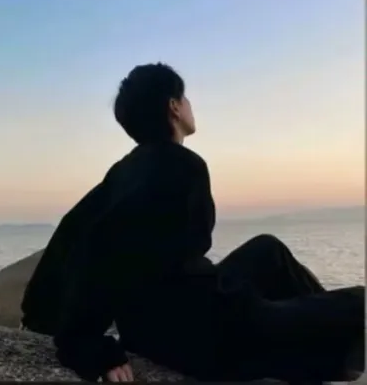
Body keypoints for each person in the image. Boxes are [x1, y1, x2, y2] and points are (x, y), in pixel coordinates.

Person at [20, 63, 364, 384]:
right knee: (357, 305)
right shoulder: (182, 165)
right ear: (173, 107)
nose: (189, 105)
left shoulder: (122, 173)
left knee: (266, 249)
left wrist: (48, 322)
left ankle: (321, 330)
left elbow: (73, 238)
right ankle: (328, 340)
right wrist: (85, 344)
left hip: (157, 325)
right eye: (184, 98)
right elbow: (101, 252)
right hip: (203, 332)